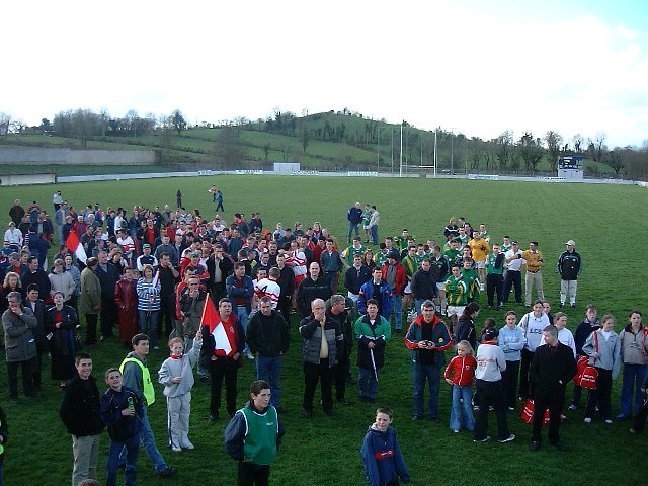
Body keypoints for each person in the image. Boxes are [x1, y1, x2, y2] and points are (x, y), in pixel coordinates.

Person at [119, 333, 177, 477]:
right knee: (148, 437)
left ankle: (120, 460)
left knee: (135, 435)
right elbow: (131, 390)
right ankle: (161, 466)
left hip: (137, 406)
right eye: (143, 344)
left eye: (147, 344)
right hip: (137, 408)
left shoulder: (137, 361)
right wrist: (138, 406)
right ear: (135, 346)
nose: (146, 347)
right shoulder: (133, 366)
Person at [224, 380, 284, 486]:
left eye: (269, 395)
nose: (267, 399)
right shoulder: (243, 416)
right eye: (263, 395)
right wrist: (242, 457)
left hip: (265, 460)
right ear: (253, 396)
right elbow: (231, 439)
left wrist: (272, 450)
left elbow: (279, 433)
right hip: (248, 463)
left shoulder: (272, 412)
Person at [528, 325, 577, 452]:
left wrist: (563, 381)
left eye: (546, 336)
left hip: (557, 389)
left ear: (554, 336)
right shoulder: (540, 350)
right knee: (538, 415)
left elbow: (573, 369)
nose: (544, 338)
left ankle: (554, 438)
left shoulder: (566, 351)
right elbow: (533, 370)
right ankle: (536, 439)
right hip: (542, 389)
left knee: (555, 416)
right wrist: (538, 382)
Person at [404, 300, 454, 421]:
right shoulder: (415, 323)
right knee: (417, 390)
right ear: (422, 311)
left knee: (434, 390)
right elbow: (407, 340)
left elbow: (450, 341)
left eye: (430, 310)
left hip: (434, 363)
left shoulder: (441, 324)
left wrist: (435, 346)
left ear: (434, 311)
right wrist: (417, 344)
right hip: (419, 362)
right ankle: (418, 413)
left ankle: (433, 414)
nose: (428, 313)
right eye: (426, 310)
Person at [60, 352, 104, 486]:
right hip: (83, 435)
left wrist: (99, 424)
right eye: (83, 365)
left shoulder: (91, 382)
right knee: (81, 470)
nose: (87, 368)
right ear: (76, 366)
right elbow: (64, 412)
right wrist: (78, 431)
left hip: (94, 431)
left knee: (91, 467)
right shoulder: (73, 387)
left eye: (89, 364)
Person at [158, 329, 203, 452]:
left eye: (180, 347)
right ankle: (174, 441)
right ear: (171, 348)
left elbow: (195, 351)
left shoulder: (187, 359)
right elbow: (162, 378)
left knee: (184, 416)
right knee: (174, 418)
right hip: (173, 395)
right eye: (176, 347)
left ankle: (184, 438)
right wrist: (171, 380)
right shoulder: (167, 363)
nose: (178, 350)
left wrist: (197, 340)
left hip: (185, 393)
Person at [201, 298, 245, 422]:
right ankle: (214, 412)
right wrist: (211, 355)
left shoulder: (235, 321)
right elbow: (205, 341)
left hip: (232, 359)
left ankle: (232, 410)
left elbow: (242, 338)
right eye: (224, 306)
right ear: (219, 308)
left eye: (229, 306)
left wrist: (238, 352)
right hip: (217, 361)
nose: (227, 308)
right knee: (216, 388)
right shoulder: (212, 323)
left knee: (232, 387)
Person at [299, 298, 343, 418]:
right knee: (310, 386)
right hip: (311, 360)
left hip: (328, 361)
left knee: (327, 386)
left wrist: (337, 358)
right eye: (317, 308)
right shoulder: (306, 321)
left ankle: (328, 407)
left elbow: (340, 341)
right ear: (312, 310)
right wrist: (316, 321)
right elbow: (305, 333)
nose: (320, 311)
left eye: (322, 308)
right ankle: (308, 408)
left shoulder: (333, 323)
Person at [100, 368, 143, 486]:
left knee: (132, 465)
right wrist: (121, 413)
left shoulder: (131, 392)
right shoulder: (106, 398)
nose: (115, 380)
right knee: (112, 466)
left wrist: (139, 420)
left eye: (117, 377)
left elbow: (140, 404)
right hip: (117, 437)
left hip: (133, 434)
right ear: (106, 381)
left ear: (122, 378)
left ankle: (130, 484)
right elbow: (105, 418)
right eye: (111, 378)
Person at [246, 297, 290, 411]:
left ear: (271, 306)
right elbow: (249, 336)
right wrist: (254, 350)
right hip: (262, 355)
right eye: (263, 307)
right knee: (261, 383)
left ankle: (274, 405)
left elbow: (286, 333)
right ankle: (260, 405)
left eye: (267, 307)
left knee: (274, 382)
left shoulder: (278, 318)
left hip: (275, 355)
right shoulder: (255, 319)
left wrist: (283, 349)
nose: (265, 310)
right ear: (259, 307)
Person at [473, 327, 515, 443]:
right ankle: (503, 434)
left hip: (480, 381)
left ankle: (479, 435)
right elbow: (503, 367)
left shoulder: (480, 347)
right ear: (496, 338)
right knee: (500, 409)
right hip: (493, 383)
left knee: (483, 409)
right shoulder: (497, 349)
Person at [582, 314, 622, 424]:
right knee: (593, 392)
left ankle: (606, 415)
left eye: (612, 323)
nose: (611, 325)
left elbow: (617, 355)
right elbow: (585, 346)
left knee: (606, 393)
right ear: (603, 323)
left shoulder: (616, 337)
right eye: (609, 323)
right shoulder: (595, 334)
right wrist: (592, 353)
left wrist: (615, 372)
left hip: (608, 369)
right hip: (596, 368)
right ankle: (588, 414)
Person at [360, 407, 410, 486]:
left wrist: (404, 475)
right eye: (379, 419)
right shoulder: (370, 437)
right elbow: (370, 461)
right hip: (379, 478)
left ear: (391, 420)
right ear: (375, 418)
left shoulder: (392, 432)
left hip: (392, 477)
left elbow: (397, 454)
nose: (381, 422)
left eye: (385, 420)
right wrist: (375, 482)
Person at [353, 299, 391, 403]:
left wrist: (376, 343)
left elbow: (387, 335)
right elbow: (356, 333)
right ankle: (362, 393)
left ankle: (372, 394)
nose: (372, 310)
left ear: (378, 309)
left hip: (377, 351)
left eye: (374, 307)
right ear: (367, 309)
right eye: (371, 308)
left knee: (375, 374)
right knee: (363, 375)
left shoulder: (384, 322)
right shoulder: (360, 321)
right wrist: (367, 343)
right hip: (364, 352)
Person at [2, 291, 37, 401]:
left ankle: (28, 392)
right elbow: (10, 332)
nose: (11, 304)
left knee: (27, 373)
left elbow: (33, 323)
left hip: (27, 349)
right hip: (13, 350)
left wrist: (21, 314)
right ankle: (13, 396)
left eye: (13, 302)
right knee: (12, 376)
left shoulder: (26, 311)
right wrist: (25, 328)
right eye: (9, 302)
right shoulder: (6, 315)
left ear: (19, 301)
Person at [617, 310, 648, 420]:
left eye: (638, 318)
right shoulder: (624, 332)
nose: (636, 320)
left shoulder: (646, 331)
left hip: (642, 365)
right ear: (629, 319)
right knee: (627, 389)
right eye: (634, 318)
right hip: (629, 364)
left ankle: (640, 413)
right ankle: (626, 412)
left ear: (641, 319)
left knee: (642, 390)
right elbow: (618, 346)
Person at [517, 300, 550, 401]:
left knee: (535, 372)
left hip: (539, 350)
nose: (538, 309)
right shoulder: (527, 317)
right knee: (524, 371)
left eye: (540, 307)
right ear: (533, 308)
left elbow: (547, 332)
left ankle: (534, 393)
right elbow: (520, 329)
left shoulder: (545, 318)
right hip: (527, 349)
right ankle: (522, 393)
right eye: (536, 307)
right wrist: (524, 341)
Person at [569, 304, 600, 411]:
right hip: (582, 357)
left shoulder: (600, 326)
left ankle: (593, 403)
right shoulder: (581, 326)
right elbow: (576, 340)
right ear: (586, 313)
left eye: (593, 312)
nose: (592, 314)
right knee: (579, 380)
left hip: (595, 358)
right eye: (590, 312)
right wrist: (578, 355)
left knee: (594, 381)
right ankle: (575, 402)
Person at [46, 291, 79, 388]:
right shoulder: (50, 311)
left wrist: (61, 325)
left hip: (68, 338)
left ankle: (72, 378)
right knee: (59, 360)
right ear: (53, 300)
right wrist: (55, 326)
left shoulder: (70, 309)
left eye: (60, 297)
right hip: (56, 340)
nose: (58, 299)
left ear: (63, 299)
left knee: (70, 358)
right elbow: (47, 325)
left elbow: (74, 322)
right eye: (56, 298)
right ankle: (62, 381)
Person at [444, 340, 477, 433]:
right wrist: (447, 377)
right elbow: (449, 368)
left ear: (468, 350)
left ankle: (470, 424)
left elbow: (478, 369)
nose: (460, 352)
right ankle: (456, 425)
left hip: (467, 387)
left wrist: (475, 378)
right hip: (456, 386)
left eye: (462, 350)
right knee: (455, 404)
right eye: (459, 350)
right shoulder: (455, 359)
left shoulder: (472, 360)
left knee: (467, 405)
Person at [498, 311, 525, 410]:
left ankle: (511, 403)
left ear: (516, 320)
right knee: (504, 381)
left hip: (515, 359)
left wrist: (508, 345)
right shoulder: (502, 331)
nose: (511, 321)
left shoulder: (519, 330)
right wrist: (514, 346)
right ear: (505, 320)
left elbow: (521, 345)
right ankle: (503, 402)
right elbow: (501, 346)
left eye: (513, 319)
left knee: (513, 381)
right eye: (509, 319)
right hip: (504, 360)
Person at [23, 284, 47, 395]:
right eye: (32, 293)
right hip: (26, 339)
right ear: (27, 294)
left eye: (36, 293)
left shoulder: (41, 304)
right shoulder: (22, 304)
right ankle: (28, 386)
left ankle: (37, 385)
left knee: (38, 363)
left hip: (39, 339)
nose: (34, 295)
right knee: (28, 364)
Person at [136, 264, 161, 349]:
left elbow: (157, 291)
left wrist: (148, 292)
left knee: (153, 327)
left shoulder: (156, 280)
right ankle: (142, 344)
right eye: (146, 271)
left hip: (155, 307)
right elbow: (139, 292)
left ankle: (153, 343)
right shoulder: (140, 280)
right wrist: (149, 295)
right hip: (143, 307)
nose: (148, 273)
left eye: (149, 271)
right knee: (143, 327)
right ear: (144, 272)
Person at [113, 266, 139, 347]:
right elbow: (117, 297)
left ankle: (134, 341)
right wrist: (122, 306)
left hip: (136, 308)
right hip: (124, 309)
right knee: (124, 325)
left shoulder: (137, 282)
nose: (129, 274)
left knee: (135, 325)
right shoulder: (120, 283)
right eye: (127, 272)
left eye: (131, 272)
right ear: (125, 273)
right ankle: (125, 340)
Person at [382, 250, 406, 333]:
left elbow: (403, 280)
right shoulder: (386, 266)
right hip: (387, 291)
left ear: (394, 259)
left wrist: (398, 289)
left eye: (390, 258)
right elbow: (383, 277)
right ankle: (388, 325)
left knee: (397, 310)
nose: (389, 260)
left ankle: (398, 326)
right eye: (388, 258)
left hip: (396, 292)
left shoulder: (401, 267)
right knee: (388, 309)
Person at [79, 257, 101, 346]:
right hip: (90, 304)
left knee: (90, 323)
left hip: (86, 303)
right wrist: (96, 304)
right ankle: (91, 341)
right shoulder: (90, 274)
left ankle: (91, 339)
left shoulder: (85, 271)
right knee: (92, 324)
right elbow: (91, 291)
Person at [557, 240, 581, 309]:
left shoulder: (577, 255)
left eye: (569, 245)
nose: (568, 246)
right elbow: (559, 264)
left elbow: (580, 265)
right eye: (567, 245)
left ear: (573, 246)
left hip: (573, 276)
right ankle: (562, 302)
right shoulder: (563, 254)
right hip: (564, 276)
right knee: (563, 290)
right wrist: (561, 273)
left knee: (572, 290)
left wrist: (577, 273)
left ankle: (572, 303)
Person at [522, 241, 544, 306]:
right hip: (529, 272)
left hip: (537, 272)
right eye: (530, 245)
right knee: (528, 289)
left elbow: (541, 263)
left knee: (540, 289)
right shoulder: (527, 252)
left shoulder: (539, 253)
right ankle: (527, 303)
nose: (531, 246)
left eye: (532, 245)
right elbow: (520, 255)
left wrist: (532, 263)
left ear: (536, 246)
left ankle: (542, 302)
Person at [501, 241, 523, 305]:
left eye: (515, 245)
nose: (514, 246)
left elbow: (523, 262)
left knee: (518, 286)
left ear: (518, 245)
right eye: (513, 245)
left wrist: (520, 269)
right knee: (506, 286)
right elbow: (505, 261)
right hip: (509, 271)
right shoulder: (508, 252)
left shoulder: (521, 253)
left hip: (517, 271)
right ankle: (504, 299)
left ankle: (518, 300)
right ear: (511, 246)